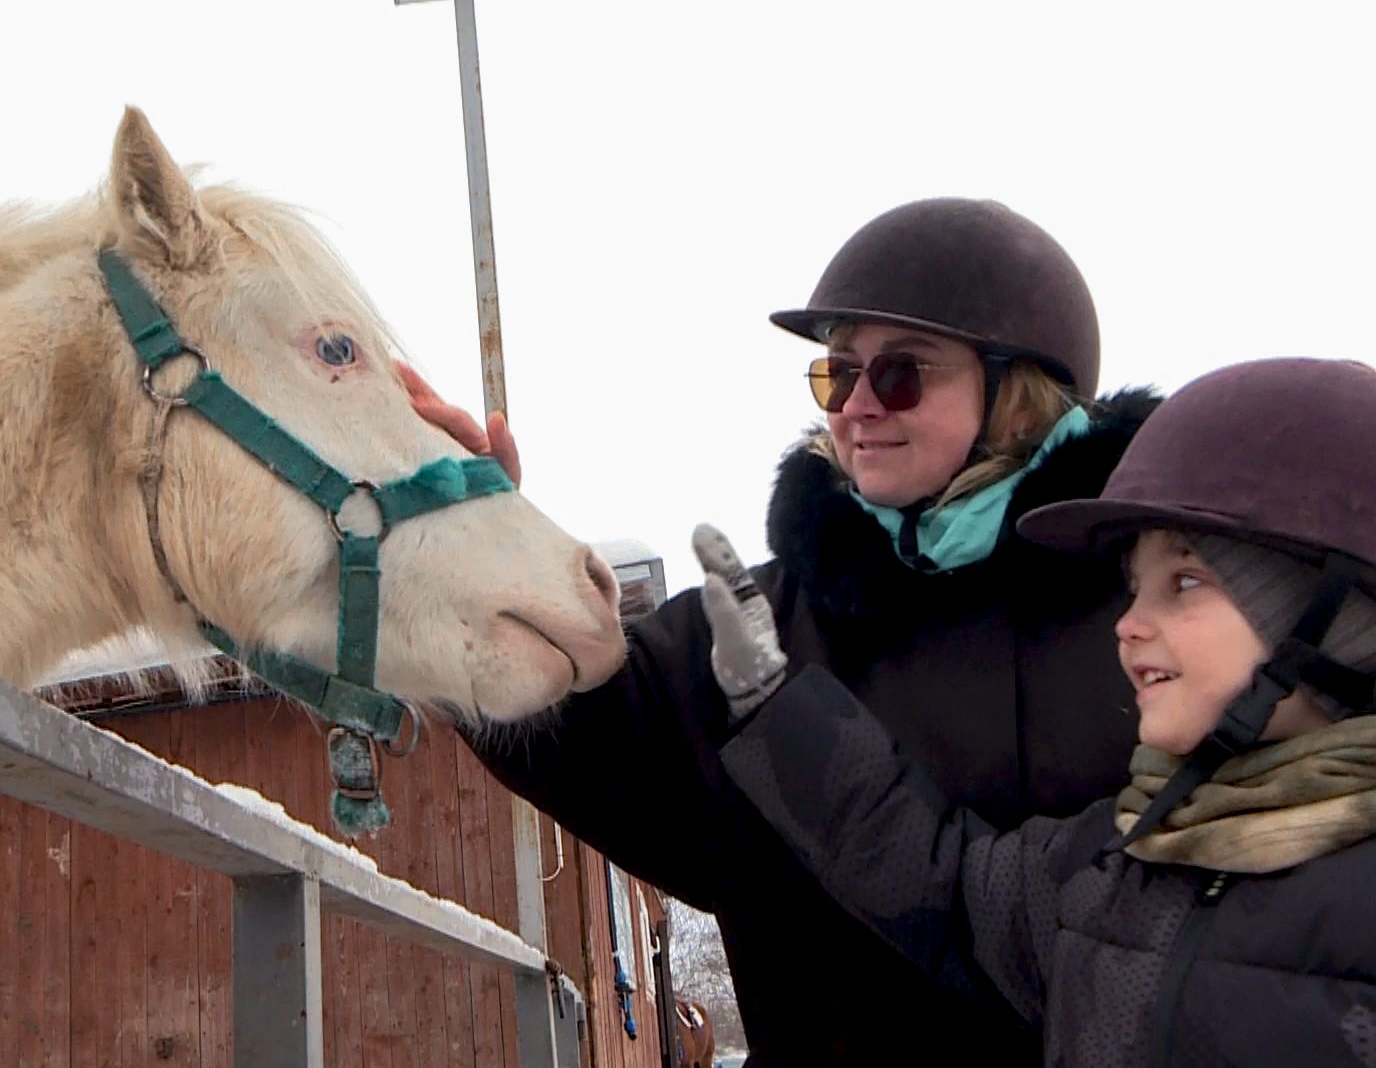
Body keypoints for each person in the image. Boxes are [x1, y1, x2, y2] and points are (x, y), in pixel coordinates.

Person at [406, 198, 1163, 1065]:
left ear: (1018, 396)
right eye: (838, 375)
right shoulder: (759, 630)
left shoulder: (1148, 615)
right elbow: (588, 724)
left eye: (903, 374)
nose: (859, 406)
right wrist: (473, 561)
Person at [699, 356, 1376, 1066]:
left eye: (1183, 581)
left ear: (1332, 618)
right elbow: (941, 883)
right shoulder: (1115, 866)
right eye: (1132, 587)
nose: (1129, 623)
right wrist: (773, 703)